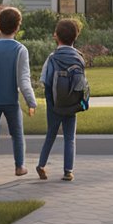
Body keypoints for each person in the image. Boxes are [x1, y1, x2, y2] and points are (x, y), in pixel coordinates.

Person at [0, 7, 37, 178]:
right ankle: (20, 167)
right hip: (11, 101)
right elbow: (23, 81)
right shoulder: (20, 50)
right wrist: (31, 101)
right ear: (17, 27)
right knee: (17, 134)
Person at [37, 18, 85, 182]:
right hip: (72, 105)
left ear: (56, 36)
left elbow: (45, 80)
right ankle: (68, 171)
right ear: (75, 37)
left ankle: (42, 164)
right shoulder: (79, 58)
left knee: (50, 134)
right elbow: (81, 84)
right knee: (70, 137)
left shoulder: (52, 58)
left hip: (54, 105)